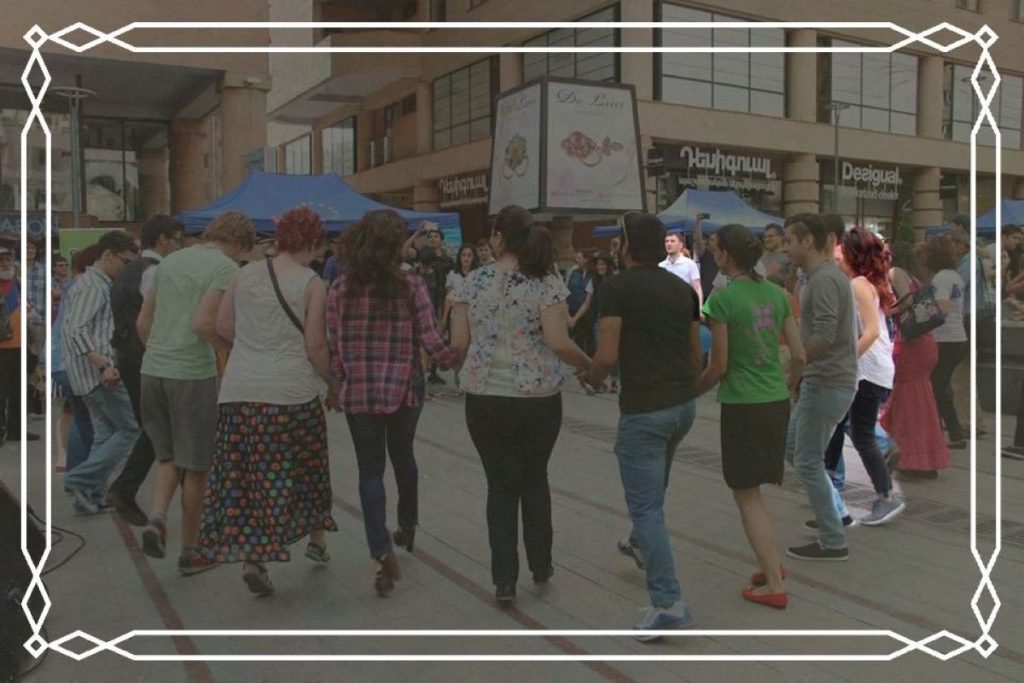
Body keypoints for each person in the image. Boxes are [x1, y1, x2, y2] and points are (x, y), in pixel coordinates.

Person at [451, 205, 591, 605]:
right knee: (534, 477)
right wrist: (590, 366)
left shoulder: (469, 284)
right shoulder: (545, 282)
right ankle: (541, 563)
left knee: (499, 485)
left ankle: (504, 580)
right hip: (537, 398)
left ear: (497, 237)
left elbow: (458, 345)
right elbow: (559, 343)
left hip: (484, 397)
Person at [198, 207, 338, 596]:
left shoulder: (242, 275)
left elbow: (223, 327)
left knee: (248, 479)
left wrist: (248, 351)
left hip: (239, 393)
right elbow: (315, 345)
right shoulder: (312, 283)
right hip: (290, 395)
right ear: (311, 242)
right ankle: (316, 540)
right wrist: (333, 381)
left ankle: (254, 557)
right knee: (306, 471)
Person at [328, 210, 460, 596]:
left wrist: (336, 384)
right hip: (403, 390)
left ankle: (380, 548)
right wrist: (459, 359)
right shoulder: (411, 286)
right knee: (403, 456)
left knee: (370, 471)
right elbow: (433, 342)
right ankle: (407, 523)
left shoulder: (340, 288)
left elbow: (334, 345)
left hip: (359, 393)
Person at [583, 212, 701, 639]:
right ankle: (638, 543)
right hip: (682, 407)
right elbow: (695, 356)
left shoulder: (615, 289)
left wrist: (590, 377)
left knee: (647, 507)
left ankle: (668, 603)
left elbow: (607, 354)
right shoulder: (681, 289)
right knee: (655, 490)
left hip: (645, 411)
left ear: (626, 246)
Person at [137, 211, 255, 575]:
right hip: (191, 375)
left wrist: (159, 352)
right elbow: (204, 324)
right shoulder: (224, 269)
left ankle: (157, 517)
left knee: (168, 456)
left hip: (153, 370)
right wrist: (233, 348)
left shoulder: (171, 262)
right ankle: (191, 551)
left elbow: (143, 322)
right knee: (198, 466)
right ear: (237, 243)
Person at [697, 224, 804, 609]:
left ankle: (774, 583)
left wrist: (692, 391)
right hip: (776, 400)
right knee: (756, 492)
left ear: (726, 255)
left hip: (743, 406)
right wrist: (788, 386)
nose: (713, 255)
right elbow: (800, 354)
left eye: (715, 249)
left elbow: (719, 365)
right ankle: (770, 563)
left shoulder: (721, 300)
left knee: (747, 495)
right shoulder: (778, 295)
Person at [781, 214, 857, 561]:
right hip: (823, 381)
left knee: (807, 459)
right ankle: (836, 513)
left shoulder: (825, 280)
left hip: (827, 382)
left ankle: (833, 539)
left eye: (789, 240)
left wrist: (794, 364)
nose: (785, 247)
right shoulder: (818, 278)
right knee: (795, 449)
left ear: (807, 241)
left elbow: (824, 335)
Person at [105, 215, 183, 526]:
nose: (177, 245)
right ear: (163, 239)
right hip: (145, 358)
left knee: (153, 427)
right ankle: (125, 489)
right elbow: (156, 317)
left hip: (128, 355)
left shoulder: (127, 271)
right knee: (156, 427)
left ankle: (126, 489)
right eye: (175, 239)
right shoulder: (154, 272)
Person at [824, 228, 904, 526]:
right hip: (870, 368)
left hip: (868, 370)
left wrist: (843, 359)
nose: (835, 252)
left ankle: (885, 496)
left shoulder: (858, 283)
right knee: (841, 428)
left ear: (851, 252)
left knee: (861, 434)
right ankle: (830, 494)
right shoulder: (862, 282)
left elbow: (870, 331)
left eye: (840, 247)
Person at [61, 231, 141, 514]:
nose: (127, 268)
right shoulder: (92, 285)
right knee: (130, 429)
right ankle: (79, 478)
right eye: (125, 261)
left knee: (105, 433)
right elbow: (75, 330)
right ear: (107, 255)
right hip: (98, 375)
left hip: (92, 374)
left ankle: (89, 495)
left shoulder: (96, 283)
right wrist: (103, 365)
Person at [879, 241, 949, 477]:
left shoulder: (894, 272)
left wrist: (886, 312)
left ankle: (912, 459)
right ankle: (924, 459)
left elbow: (907, 301)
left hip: (911, 344)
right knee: (919, 402)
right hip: (924, 342)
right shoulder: (913, 274)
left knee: (909, 401)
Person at [51, 245, 101, 476]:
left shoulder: (73, 285)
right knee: (87, 420)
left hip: (60, 361)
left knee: (79, 416)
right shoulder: (88, 286)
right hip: (74, 361)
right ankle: (81, 474)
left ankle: (75, 471)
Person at [924, 235, 969, 449]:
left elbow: (942, 307)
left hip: (945, 339)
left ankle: (947, 432)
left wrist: (923, 313)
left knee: (937, 387)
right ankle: (954, 431)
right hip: (958, 337)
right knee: (942, 386)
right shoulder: (955, 276)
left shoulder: (940, 278)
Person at [0, 246, 40, 444]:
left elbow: (28, 311)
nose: (6, 264)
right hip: (1, 349)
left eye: (8, 260)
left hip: (19, 345)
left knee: (19, 390)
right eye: (2, 261)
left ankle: (17, 429)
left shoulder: (17, 283)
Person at [659, 232, 703, 305]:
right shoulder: (661, 265)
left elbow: (697, 288)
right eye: (666, 241)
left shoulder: (690, 264)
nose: (669, 244)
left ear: (680, 245)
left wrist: (700, 308)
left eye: (672, 241)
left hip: (684, 304)